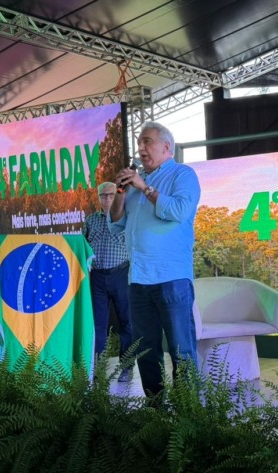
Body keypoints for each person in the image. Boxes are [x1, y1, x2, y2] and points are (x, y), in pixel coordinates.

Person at [110, 122, 201, 396]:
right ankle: (154, 408)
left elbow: (179, 211)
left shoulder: (182, 174)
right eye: (139, 143)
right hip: (138, 279)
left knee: (181, 349)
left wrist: (144, 187)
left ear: (166, 147)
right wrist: (120, 192)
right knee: (146, 350)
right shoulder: (134, 185)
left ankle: (188, 411)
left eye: (147, 141)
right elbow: (115, 223)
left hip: (172, 278)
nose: (141, 148)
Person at [83, 181, 133, 380]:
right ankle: (98, 369)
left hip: (121, 274)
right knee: (98, 325)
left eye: (111, 195)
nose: (107, 199)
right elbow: (83, 247)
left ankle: (127, 367)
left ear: (118, 196)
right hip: (97, 277)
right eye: (103, 195)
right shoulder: (91, 221)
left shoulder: (127, 218)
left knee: (127, 322)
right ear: (98, 198)